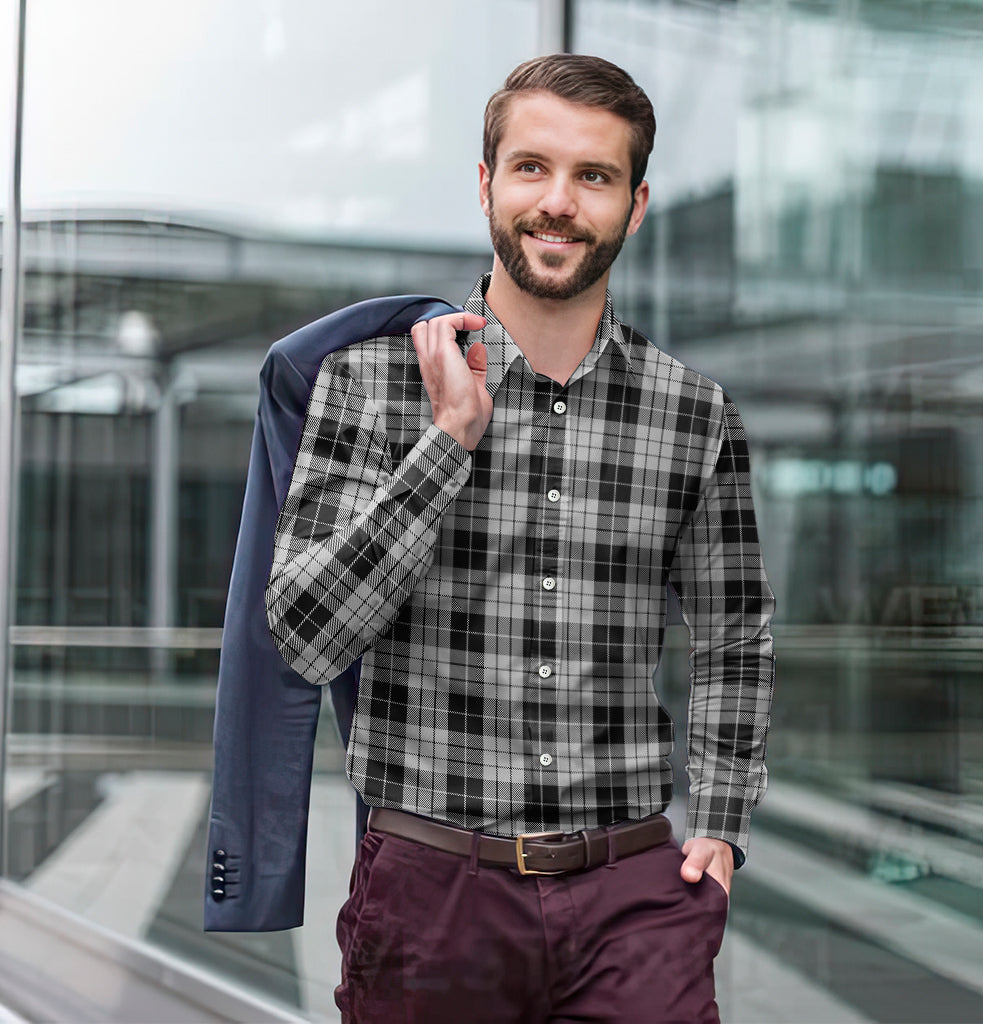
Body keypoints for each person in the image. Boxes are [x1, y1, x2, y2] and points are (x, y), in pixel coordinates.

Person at [265, 53, 775, 1024]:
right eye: (533, 167)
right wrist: (448, 439)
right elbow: (305, 637)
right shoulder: (369, 387)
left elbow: (735, 634)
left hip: (634, 896)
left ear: (635, 203)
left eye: (595, 176)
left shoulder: (692, 413)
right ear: (487, 182)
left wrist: (718, 819)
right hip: (432, 896)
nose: (559, 201)